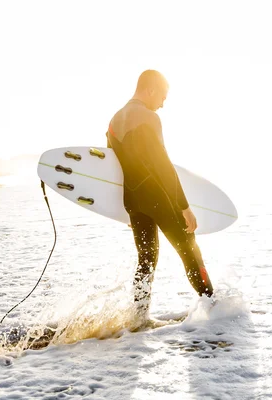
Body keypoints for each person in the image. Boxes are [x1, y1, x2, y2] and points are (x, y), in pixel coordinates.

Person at [106, 70, 214, 323]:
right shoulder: (148, 117)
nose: (163, 104)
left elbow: (112, 169)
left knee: (146, 260)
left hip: (133, 201)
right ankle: (212, 306)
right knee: (189, 250)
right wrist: (184, 206)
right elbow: (162, 164)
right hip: (157, 196)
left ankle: (139, 318)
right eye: (163, 96)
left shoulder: (114, 120)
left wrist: (126, 210)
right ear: (151, 90)